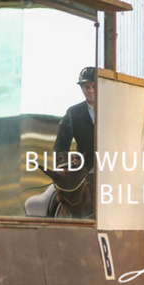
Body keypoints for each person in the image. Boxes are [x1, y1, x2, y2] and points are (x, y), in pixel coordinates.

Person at [25, 66, 96, 216]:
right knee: (42, 204)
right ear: (82, 89)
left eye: (94, 86)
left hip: (113, 166)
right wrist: (64, 167)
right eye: (86, 87)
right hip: (83, 169)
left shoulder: (113, 109)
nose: (90, 90)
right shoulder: (73, 113)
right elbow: (60, 145)